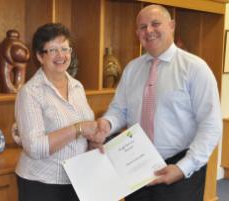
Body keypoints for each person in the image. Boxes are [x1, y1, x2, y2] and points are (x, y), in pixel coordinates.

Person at [94, 4, 222, 201]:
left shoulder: (195, 69)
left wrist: (183, 167)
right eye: (143, 27)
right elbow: (119, 109)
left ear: (171, 25)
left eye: (155, 24)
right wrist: (108, 123)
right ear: (137, 33)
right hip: (136, 163)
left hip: (179, 166)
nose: (149, 31)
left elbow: (211, 125)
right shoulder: (132, 69)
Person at [15, 23, 98, 201]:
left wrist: (93, 142)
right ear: (39, 56)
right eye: (53, 50)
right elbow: (35, 147)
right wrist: (79, 128)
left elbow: (86, 128)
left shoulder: (77, 87)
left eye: (65, 48)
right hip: (42, 183)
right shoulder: (30, 92)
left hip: (77, 179)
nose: (61, 55)